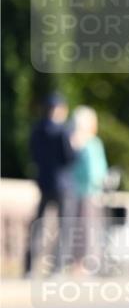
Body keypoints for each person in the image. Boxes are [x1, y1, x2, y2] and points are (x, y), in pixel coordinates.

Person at [23, 92, 76, 276]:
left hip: (44, 182)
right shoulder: (63, 131)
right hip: (63, 186)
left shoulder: (36, 130)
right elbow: (69, 158)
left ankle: (29, 268)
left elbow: (33, 155)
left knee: (38, 226)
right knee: (64, 227)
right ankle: (57, 269)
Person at [70, 106, 109, 273]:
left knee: (78, 229)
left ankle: (77, 263)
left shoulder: (73, 141)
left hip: (75, 192)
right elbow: (96, 172)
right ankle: (85, 263)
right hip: (90, 192)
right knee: (88, 229)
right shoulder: (92, 143)